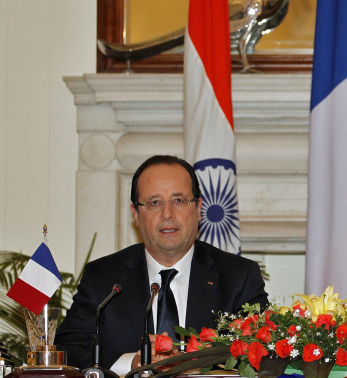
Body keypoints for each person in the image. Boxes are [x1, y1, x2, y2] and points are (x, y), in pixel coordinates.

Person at [55, 155, 269, 373]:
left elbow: (263, 353)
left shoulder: (239, 277)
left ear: (198, 209)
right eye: (154, 202)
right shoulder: (103, 277)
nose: (167, 214)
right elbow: (68, 349)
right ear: (136, 214)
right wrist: (133, 364)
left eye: (179, 200)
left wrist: (196, 367)